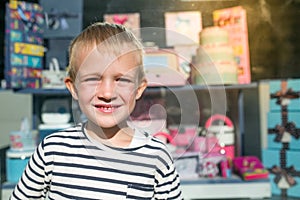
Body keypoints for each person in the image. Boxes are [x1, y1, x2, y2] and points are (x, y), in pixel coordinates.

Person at [10, 22, 183, 199]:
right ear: (73, 88)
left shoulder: (156, 157)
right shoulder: (52, 150)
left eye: (121, 80)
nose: (107, 93)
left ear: (139, 88)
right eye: (93, 79)